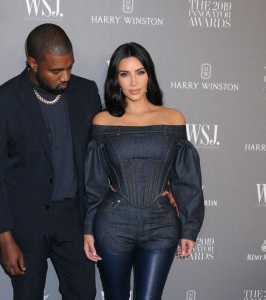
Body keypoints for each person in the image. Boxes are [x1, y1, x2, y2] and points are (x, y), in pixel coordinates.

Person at [0, 24, 101, 300]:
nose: (65, 76)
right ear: (32, 63)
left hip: (74, 222)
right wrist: (5, 239)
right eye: (56, 71)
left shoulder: (86, 92)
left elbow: (102, 153)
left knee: (83, 294)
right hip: (25, 226)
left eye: (70, 67)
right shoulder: (0, 102)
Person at [83, 42, 205, 300]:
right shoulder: (102, 121)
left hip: (162, 223)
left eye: (140, 72)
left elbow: (186, 180)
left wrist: (190, 228)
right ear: (116, 80)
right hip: (113, 223)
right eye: (124, 74)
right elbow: (93, 183)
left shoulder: (174, 118)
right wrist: (88, 228)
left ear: (149, 74)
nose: (133, 81)